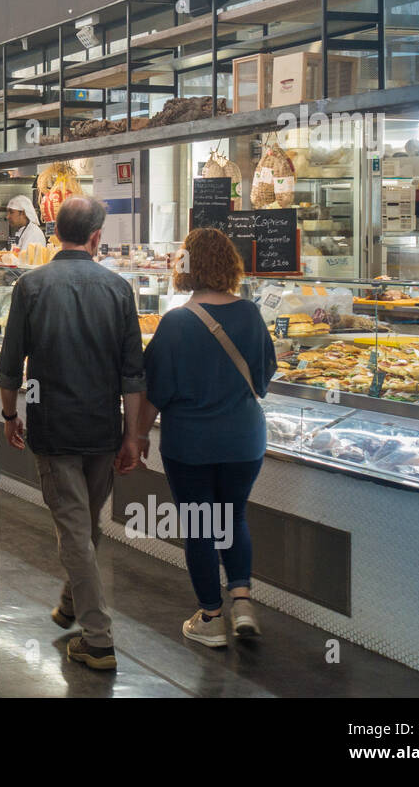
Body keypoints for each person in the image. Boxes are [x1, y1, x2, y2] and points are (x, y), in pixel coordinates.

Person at [0, 195, 145, 672]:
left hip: (53, 426)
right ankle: (70, 602)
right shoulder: (121, 290)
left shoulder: (30, 285)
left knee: (76, 531)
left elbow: (9, 362)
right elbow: (133, 374)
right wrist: (133, 437)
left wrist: (9, 414)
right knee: (84, 526)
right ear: (97, 237)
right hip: (104, 428)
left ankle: (98, 639)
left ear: (56, 231)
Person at [137, 228, 277, 648]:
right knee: (232, 517)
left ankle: (212, 619)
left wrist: (137, 435)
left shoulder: (176, 322)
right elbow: (265, 379)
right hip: (244, 440)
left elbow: (155, 392)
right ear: (229, 265)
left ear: (186, 267)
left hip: (190, 444)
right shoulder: (251, 314)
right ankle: (243, 600)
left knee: (200, 526)